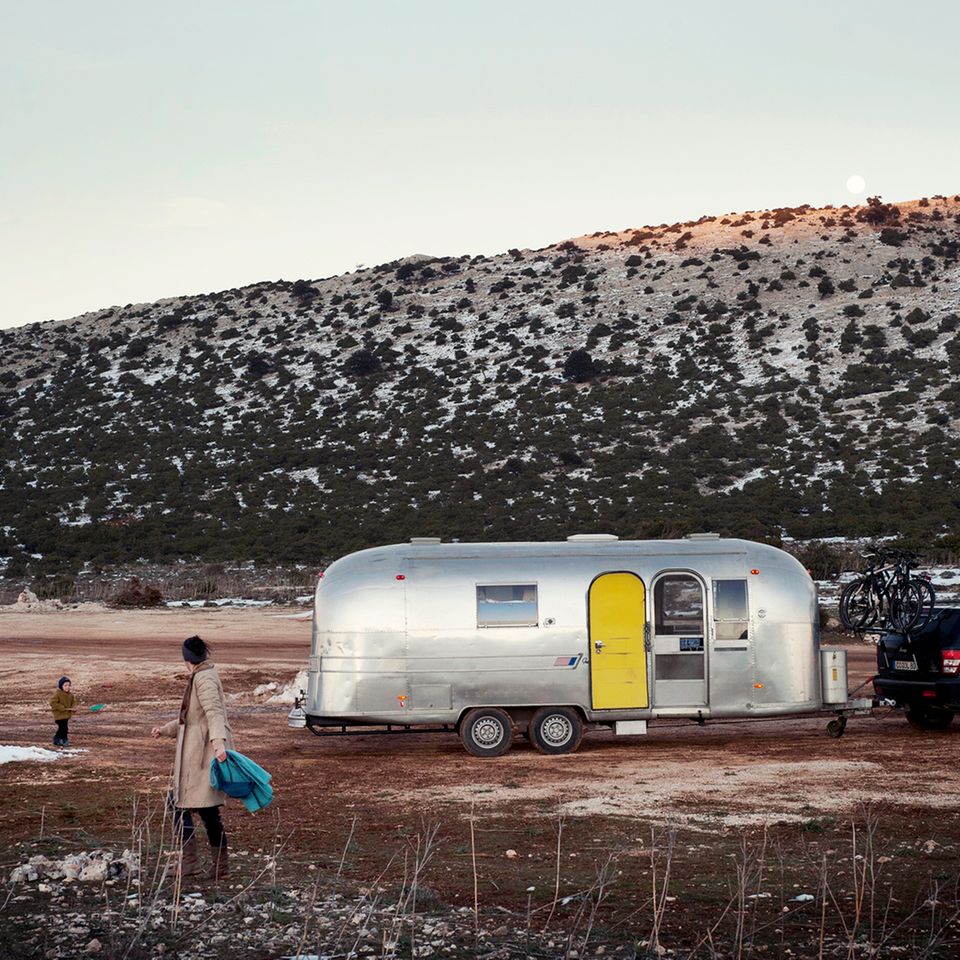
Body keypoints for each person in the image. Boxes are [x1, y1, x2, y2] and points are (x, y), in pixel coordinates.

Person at [151, 636, 234, 880]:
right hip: (200, 752)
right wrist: (165, 730)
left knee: (180, 803)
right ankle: (215, 866)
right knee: (205, 810)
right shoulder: (203, 675)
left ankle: (193, 863)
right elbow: (192, 719)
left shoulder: (204, 678)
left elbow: (214, 714)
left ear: (187, 659)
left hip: (203, 755)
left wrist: (219, 744)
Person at [50, 676, 78, 747]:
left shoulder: (70, 695)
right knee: (64, 728)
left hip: (66, 715)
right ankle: (64, 739)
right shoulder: (57, 693)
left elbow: (74, 702)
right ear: (61, 686)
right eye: (65, 685)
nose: (67, 687)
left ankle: (57, 739)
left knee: (63, 728)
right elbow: (52, 702)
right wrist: (61, 707)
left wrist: (73, 708)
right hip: (59, 715)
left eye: (69, 685)